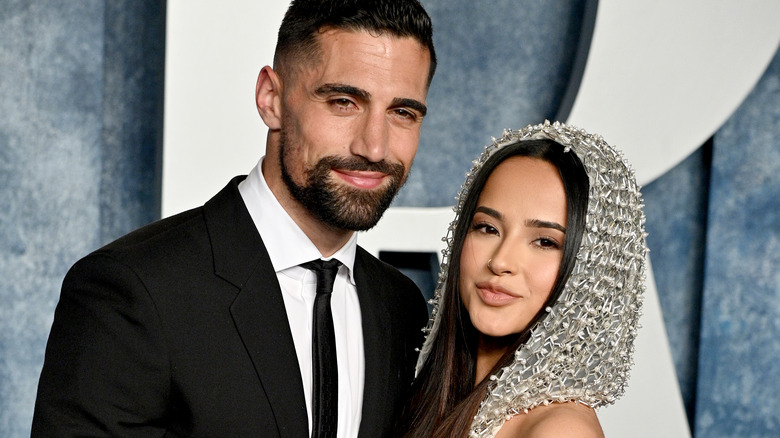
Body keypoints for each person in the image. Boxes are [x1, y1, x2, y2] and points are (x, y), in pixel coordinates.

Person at [32, 0, 436, 436]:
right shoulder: (131, 291)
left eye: (402, 112)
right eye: (343, 101)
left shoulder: (402, 307)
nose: (374, 147)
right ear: (271, 98)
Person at [395, 121, 648, 438]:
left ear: (594, 271)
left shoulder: (561, 431)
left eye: (545, 242)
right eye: (488, 228)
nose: (500, 261)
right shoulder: (426, 391)